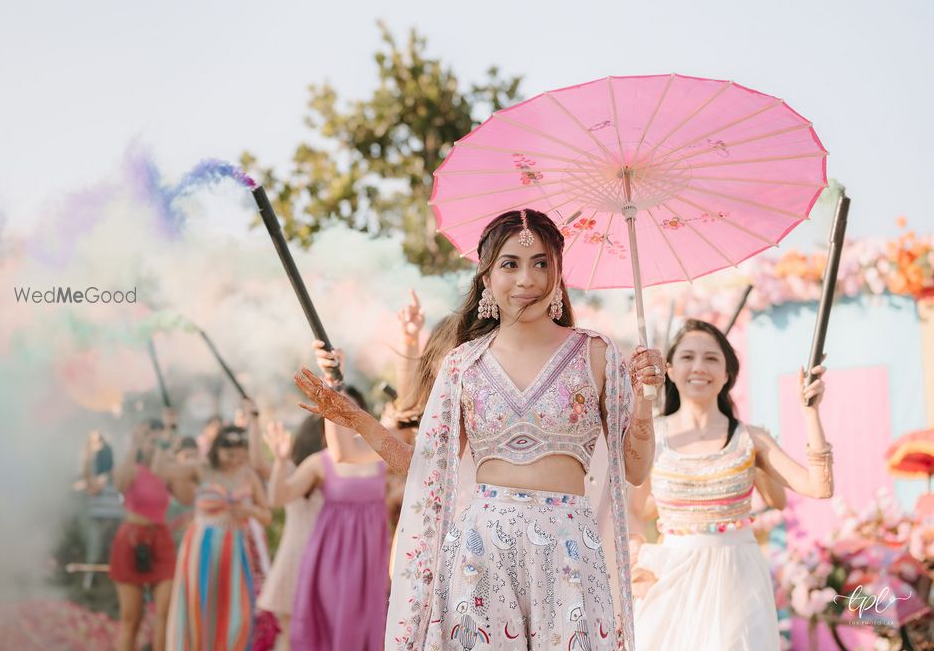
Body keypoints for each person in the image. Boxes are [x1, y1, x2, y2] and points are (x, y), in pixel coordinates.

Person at [294, 208, 665, 650]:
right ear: (487, 278)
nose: (527, 278)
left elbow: (636, 470)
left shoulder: (597, 355)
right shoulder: (463, 364)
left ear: (559, 273)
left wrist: (644, 400)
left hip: (569, 552)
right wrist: (358, 420)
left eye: (541, 263)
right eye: (510, 264)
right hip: (482, 552)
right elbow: (427, 470)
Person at [629, 319, 834, 651]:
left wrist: (811, 415)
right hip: (669, 577)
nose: (699, 367)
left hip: (738, 578)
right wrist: (635, 563)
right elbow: (631, 510)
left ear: (727, 375)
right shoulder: (649, 435)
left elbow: (819, 487)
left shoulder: (751, 438)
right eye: (687, 357)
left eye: (712, 358)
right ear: (668, 369)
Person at [264, 380, 389, 651]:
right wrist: (281, 460)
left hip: (373, 560)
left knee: (371, 628)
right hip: (333, 559)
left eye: (352, 407)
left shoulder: (382, 458)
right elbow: (279, 498)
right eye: (338, 408)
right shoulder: (321, 461)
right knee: (331, 626)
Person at [165, 425, 273, 650]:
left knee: (237, 613)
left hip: (235, 547)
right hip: (201, 546)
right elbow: (163, 471)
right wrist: (167, 437)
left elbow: (266, 516)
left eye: (241, 455)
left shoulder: (248, 475)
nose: (235, 460)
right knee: (200, 606)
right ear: (217, 450)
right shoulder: (201, 469)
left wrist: (250, 511)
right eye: (230, 454)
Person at [251, 414, 326, 650]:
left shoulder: (340, 471)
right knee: (292, 636)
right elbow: (261, 466)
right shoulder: (293, 468)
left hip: (325, 558)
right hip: (296, 557)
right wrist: (254, 422)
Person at [110, 415, 178, 651]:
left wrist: (170, 438)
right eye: (148, 436)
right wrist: (133, 446)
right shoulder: (131, 467)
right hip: (130, 539)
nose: (153, 441)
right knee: (131, 619)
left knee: (165, 614)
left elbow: (186, 493)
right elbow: (120, 483)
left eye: (156, 436)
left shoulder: (165, 468)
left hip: (161, 540)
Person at [76, 430, 122, 589]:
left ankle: (91, 582)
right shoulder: (113, 475)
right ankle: (92, 582)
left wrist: (86, 457)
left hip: (103, 517)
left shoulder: (108, 476)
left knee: (96, 551)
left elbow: (93, 487)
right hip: (112, 517)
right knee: (102, 552)